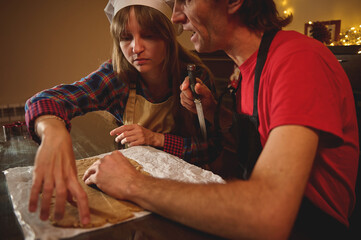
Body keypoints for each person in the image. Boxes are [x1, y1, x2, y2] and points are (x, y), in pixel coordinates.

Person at [82, 0, 359, 239]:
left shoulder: (298, 60)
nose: (177, 16)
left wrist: (132, 184)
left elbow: (267, 214)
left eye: (186, 1)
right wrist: (217, 114)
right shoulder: (245, 73)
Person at [26, 0, 216, 226]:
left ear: (168, 36)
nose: (136, 48)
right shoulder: (117, 78)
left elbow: (211, 148)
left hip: (191, 194)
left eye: (148, 36)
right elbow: (45, 100)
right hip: (133, 192)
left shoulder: (194, 77)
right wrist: (53, 132)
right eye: (126, 37)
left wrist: (157, 139)